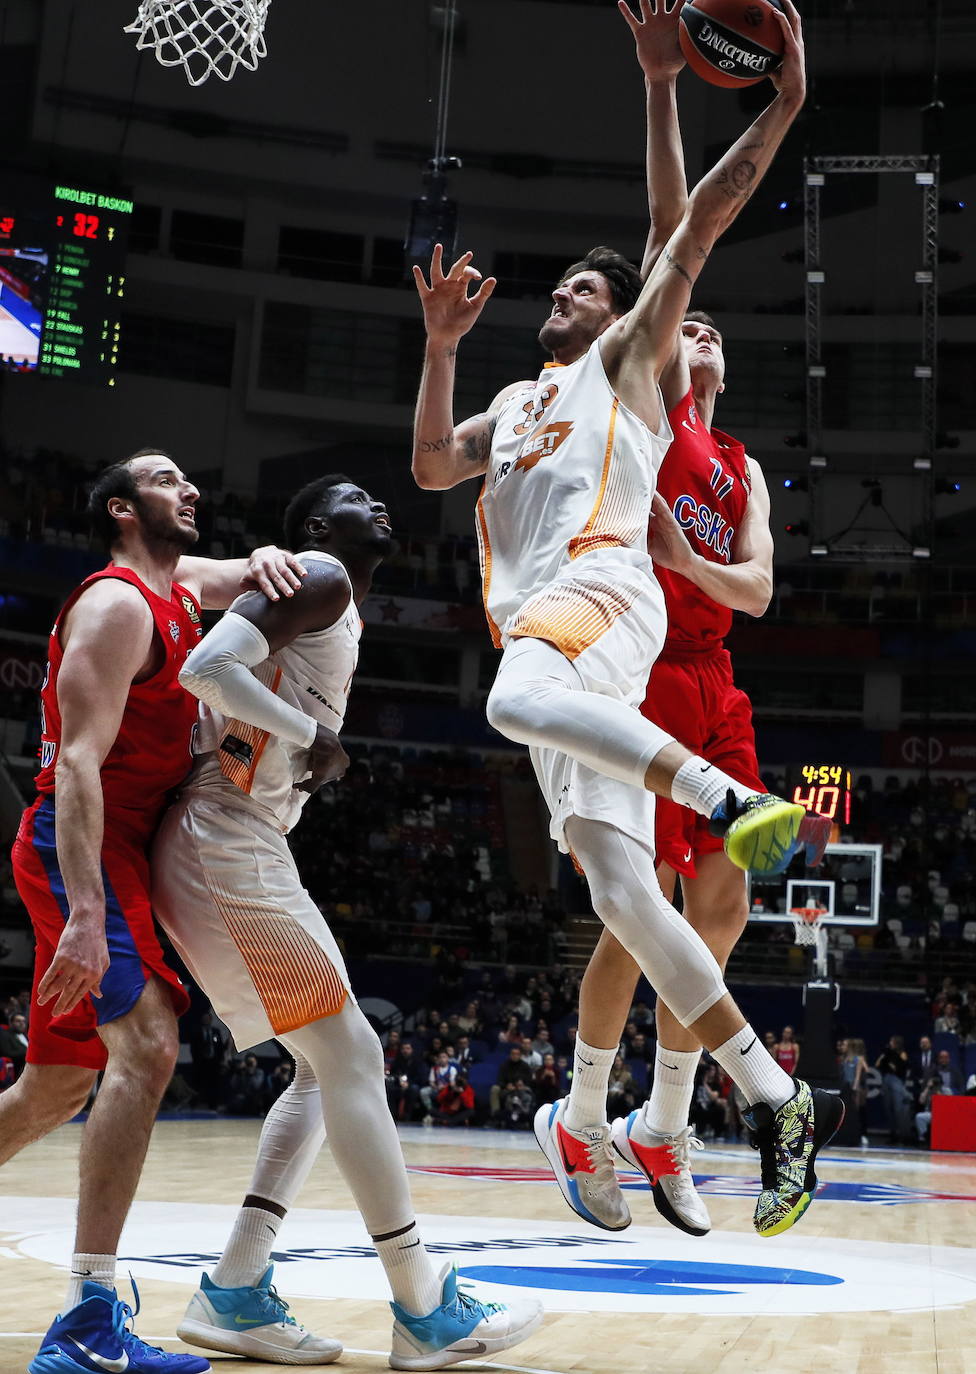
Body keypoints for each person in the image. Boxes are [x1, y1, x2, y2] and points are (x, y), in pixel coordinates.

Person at [412, 0, 837, 1241]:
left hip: (604, 601)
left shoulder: (627, 369)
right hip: (551, 644)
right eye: (559, 286)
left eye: (585, 288)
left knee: (513, 702)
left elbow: (686, 225)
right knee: (621, 898)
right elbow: (431, 466)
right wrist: (439, 346)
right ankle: (772, 1096)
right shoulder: (513, 399)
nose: (563, 293)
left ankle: (722, 796)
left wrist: (737, 97)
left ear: (625, 317)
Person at [150, 475, 542, 1368]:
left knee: (325, 1069)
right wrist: (311, 735)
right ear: (320, 527)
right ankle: (423, 1305)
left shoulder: (333, 603)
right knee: (353, 1056)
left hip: (239, 836)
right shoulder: (320, 574)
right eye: (359, 498)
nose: (381, 505)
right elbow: (204, 668)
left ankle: (237, 1287)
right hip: (222, 834)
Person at [554, 0, 789, 1241]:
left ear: (723, 368)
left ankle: (665, 1122)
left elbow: (756, 591)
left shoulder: (739, 467)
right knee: (631, 909)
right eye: (682, 319)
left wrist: (690, 556)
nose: (692, 327)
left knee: (723, 908)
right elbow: (675, 228)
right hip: (639, 666)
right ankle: (586, 1110)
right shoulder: (641, 405)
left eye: (707, 328)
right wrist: (665, 89)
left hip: (714, 680)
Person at [10, 448, 304, 1374]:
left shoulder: (174, 590)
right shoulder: (117, 605)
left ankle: (89, 1314)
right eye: (169, 479)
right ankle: (89, 1316)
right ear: (121, 508)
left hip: (120, 851)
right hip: (82, 849)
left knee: (54, 1089)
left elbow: (236, 574)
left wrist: (268, 558)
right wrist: (87, 912)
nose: (192, 488)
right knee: (147, 1047)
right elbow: (77, 765)